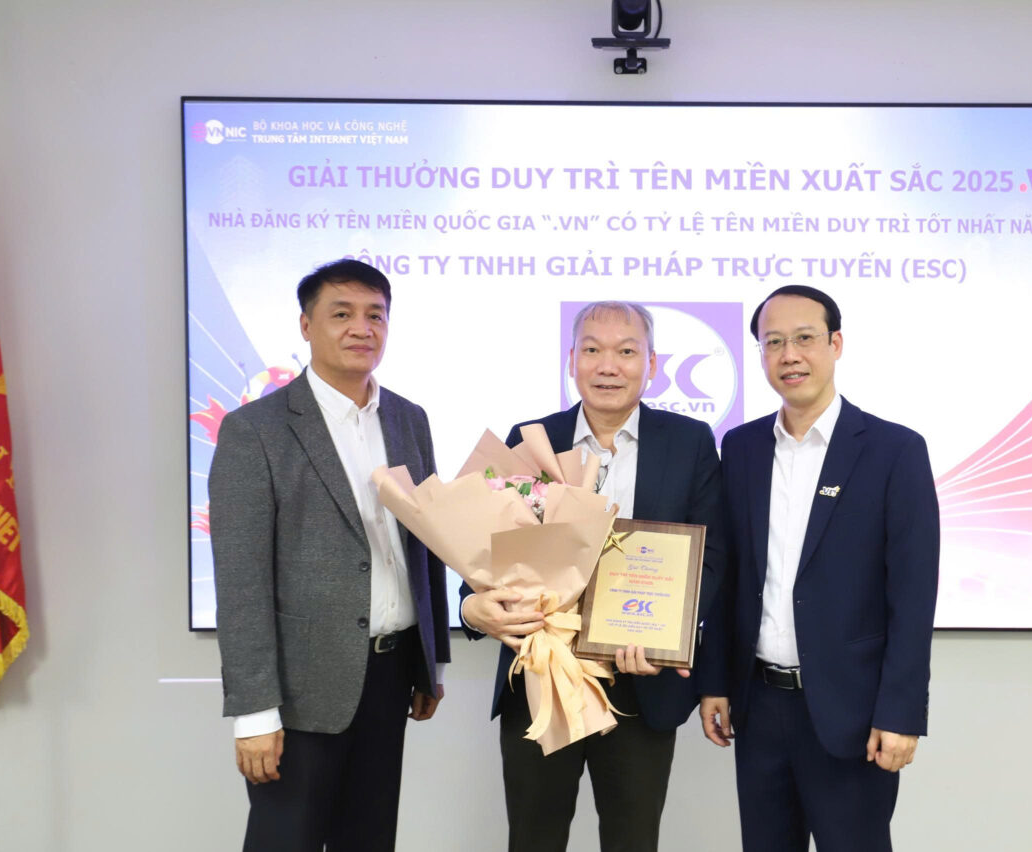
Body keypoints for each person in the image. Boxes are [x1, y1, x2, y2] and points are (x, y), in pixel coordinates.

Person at [461, 301, 725, 852]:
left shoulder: (690, 441)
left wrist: (668, 635)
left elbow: (713, 555)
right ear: (571, 360)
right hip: (542, 674)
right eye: (592, 349)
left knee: (633, 840)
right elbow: (486, 549)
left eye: (626, 351)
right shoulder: (533, 437)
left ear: (651, 364)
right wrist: (470, 606)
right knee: (534, 838)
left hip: (641, 680)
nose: (608, 365)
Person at [209, 258, 450, 851]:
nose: (361, 328)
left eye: (375, 316)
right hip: (300, 689)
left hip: (391, 674)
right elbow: (241, 585)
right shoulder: (255, 430)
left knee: (369, 840)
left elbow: (428, 543)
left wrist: (431, 662)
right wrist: (255, 713)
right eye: (341, 314)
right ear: (305, 325)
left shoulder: (409, 419)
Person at [698, 284, 939, 852]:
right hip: (758, 707)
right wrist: (714, 682)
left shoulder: (894, 450)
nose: (790, 355)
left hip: (851, 714)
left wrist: (902, 713)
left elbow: (913, 596)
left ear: (836, 344)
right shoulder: (742, 448)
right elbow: (728, 578)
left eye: (804, 338)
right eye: (773, 342)